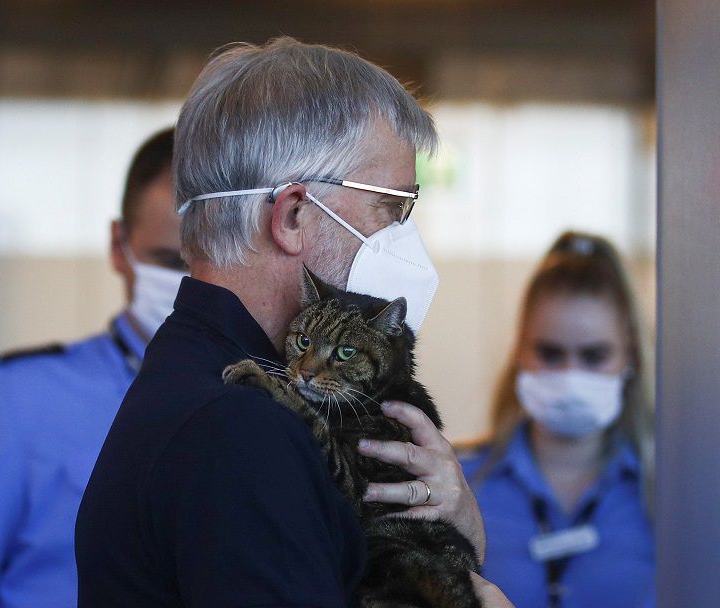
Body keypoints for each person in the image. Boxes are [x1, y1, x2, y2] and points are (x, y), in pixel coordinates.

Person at [76, 38, 511, 608]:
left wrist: (453, 539)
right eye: (391, 207)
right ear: (295, 215)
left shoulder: (210, 378)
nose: (403, 237)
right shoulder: (242, 424)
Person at [0, 127, 187, 608]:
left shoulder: (280, 403)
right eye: (169, 262)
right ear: (117, 246)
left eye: (208, 263)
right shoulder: (18, 400)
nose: (192, 287)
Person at [460, 231, 655, 608]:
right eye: (550, 353)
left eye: (594, 356)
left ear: (629, 356)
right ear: (520, 351)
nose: (570, 374)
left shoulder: (666, 492)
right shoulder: (461, 486)